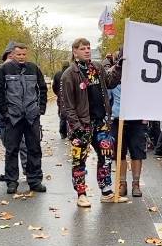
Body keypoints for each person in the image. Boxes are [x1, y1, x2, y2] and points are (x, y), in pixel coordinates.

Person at [60, 38, 126, 207]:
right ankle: (81, 194)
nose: (87, 51)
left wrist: (119, 65)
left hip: (101, 121)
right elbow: (67, 105)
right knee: (79, 160)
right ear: (75, 51)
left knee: (106, 156)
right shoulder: (69, 74)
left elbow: (111, 82)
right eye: (83, 48)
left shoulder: (96, 68)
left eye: (88, 48)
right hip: (82, 125)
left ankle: (106, 191)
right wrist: (77, 126)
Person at [0, 42, 47, 195]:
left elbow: (42, 88)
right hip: (13, 117)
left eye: (24, 54)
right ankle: (11, 182)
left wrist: (40, 108)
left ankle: (35, 181)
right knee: (11, 150)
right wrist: (5, 112)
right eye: (18, 54)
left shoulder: (34, 68)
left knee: (34, 149)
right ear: (13, 55)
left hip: (31, 116)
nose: (21, 57)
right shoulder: (4, 69)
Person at [109, 82, 147, 197]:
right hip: (117, 119)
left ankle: (136, 184)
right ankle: (122, 184)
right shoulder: (113, 76)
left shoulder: (140, 74)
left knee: (137, 152)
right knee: (119, 153)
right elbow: (107, 97)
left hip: (136, 118)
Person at [52, 61, 70, 139]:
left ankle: (63, 132)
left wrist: (58, 93)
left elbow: (54, 86)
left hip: (61, 96)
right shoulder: (71, 73)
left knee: (62, 114)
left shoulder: (58, 74)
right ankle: (70, 131)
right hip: (70, 96)